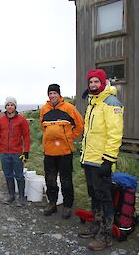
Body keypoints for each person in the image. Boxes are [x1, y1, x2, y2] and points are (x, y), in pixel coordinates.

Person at [78, 69, 124, 251]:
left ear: (103, 83)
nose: (93, 85)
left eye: (97, 82)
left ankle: (106, 236)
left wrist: (108, 160)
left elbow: (115, 134)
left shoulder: (111, 103)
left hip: (101, 161)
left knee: (104, 198)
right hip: (89, 159)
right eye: (91, 82)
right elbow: (88, 134)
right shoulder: (92, 103)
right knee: (94, 195)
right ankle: (96, 226)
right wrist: (83, 156)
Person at [40, 84, 84, 219]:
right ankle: (52, 203)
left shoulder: (69, 108)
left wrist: (69, 136)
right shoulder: (44, 109)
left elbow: (80, 124)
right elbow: (43, 127)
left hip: (65, 151)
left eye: (54, 93)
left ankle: (67, 206)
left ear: (59, 94)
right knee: (50, 179)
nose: (52, 96)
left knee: (66, 180)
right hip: (49, 152)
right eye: (50, 94)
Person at [0, 97, 30, 206]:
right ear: (5, 107)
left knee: (19, 175)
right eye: (8, 105)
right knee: (8, 174)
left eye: (12, 105)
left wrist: (26, 151)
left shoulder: (21, 120)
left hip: (17, 153)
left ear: (15, 106)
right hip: (4, 152)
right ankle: (11, 195)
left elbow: (26, 136)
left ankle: (22, 197)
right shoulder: (0, 121)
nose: (10, 107)